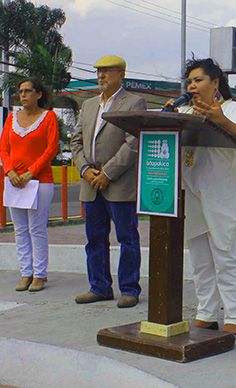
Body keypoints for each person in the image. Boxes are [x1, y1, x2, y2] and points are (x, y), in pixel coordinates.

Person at [166, 57, 236, 338]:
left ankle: (235, 316)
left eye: (198, 79)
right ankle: (207, 312)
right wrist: (168, 116)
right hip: (192, 192)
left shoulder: (234, 110)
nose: (192, 85)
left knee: (225, 255)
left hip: (223, 193)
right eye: (189, 81)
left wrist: (219, 120)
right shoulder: (185, 110)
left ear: (215, 82)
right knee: (200, 257)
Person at [71, 55, 147, 308]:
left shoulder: (134, 102)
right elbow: (76, 141)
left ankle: (129, 289)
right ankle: (99, 287)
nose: (101, 76)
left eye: (107, 71)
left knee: (127, 237)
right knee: (94, 238)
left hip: (119, 184)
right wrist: (84, 170)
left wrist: (108, 173)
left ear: (121, 74)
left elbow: (133, 143)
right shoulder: (89, 104)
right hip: (90, 184)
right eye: (99, 71)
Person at [0, 77, 58, 292]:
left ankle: (40, 274)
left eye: (28, 91)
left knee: (37, 228)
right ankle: (26, 272)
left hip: (39, 182)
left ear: (38, 94)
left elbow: (51, 149)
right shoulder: (11, 119)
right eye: (21, 91)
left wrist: (31, 172)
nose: (23, 95)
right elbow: (4, 149)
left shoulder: (49, 117)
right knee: (20, 229)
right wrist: (10, 171)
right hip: (14, 181)